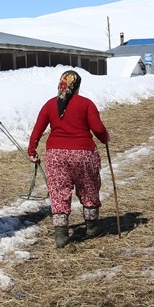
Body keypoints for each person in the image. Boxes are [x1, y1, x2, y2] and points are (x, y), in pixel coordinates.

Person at [27, 70, 110, 247]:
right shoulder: (86, 104)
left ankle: (61, 236)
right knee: (89, 187)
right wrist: (105, 138)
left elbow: (37, 130)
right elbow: (98, 129)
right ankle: (92, 228)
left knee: (58, 191)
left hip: (56, 155)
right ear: (77, 87)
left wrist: (32, 150)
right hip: (84, 154)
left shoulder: (50, 105)